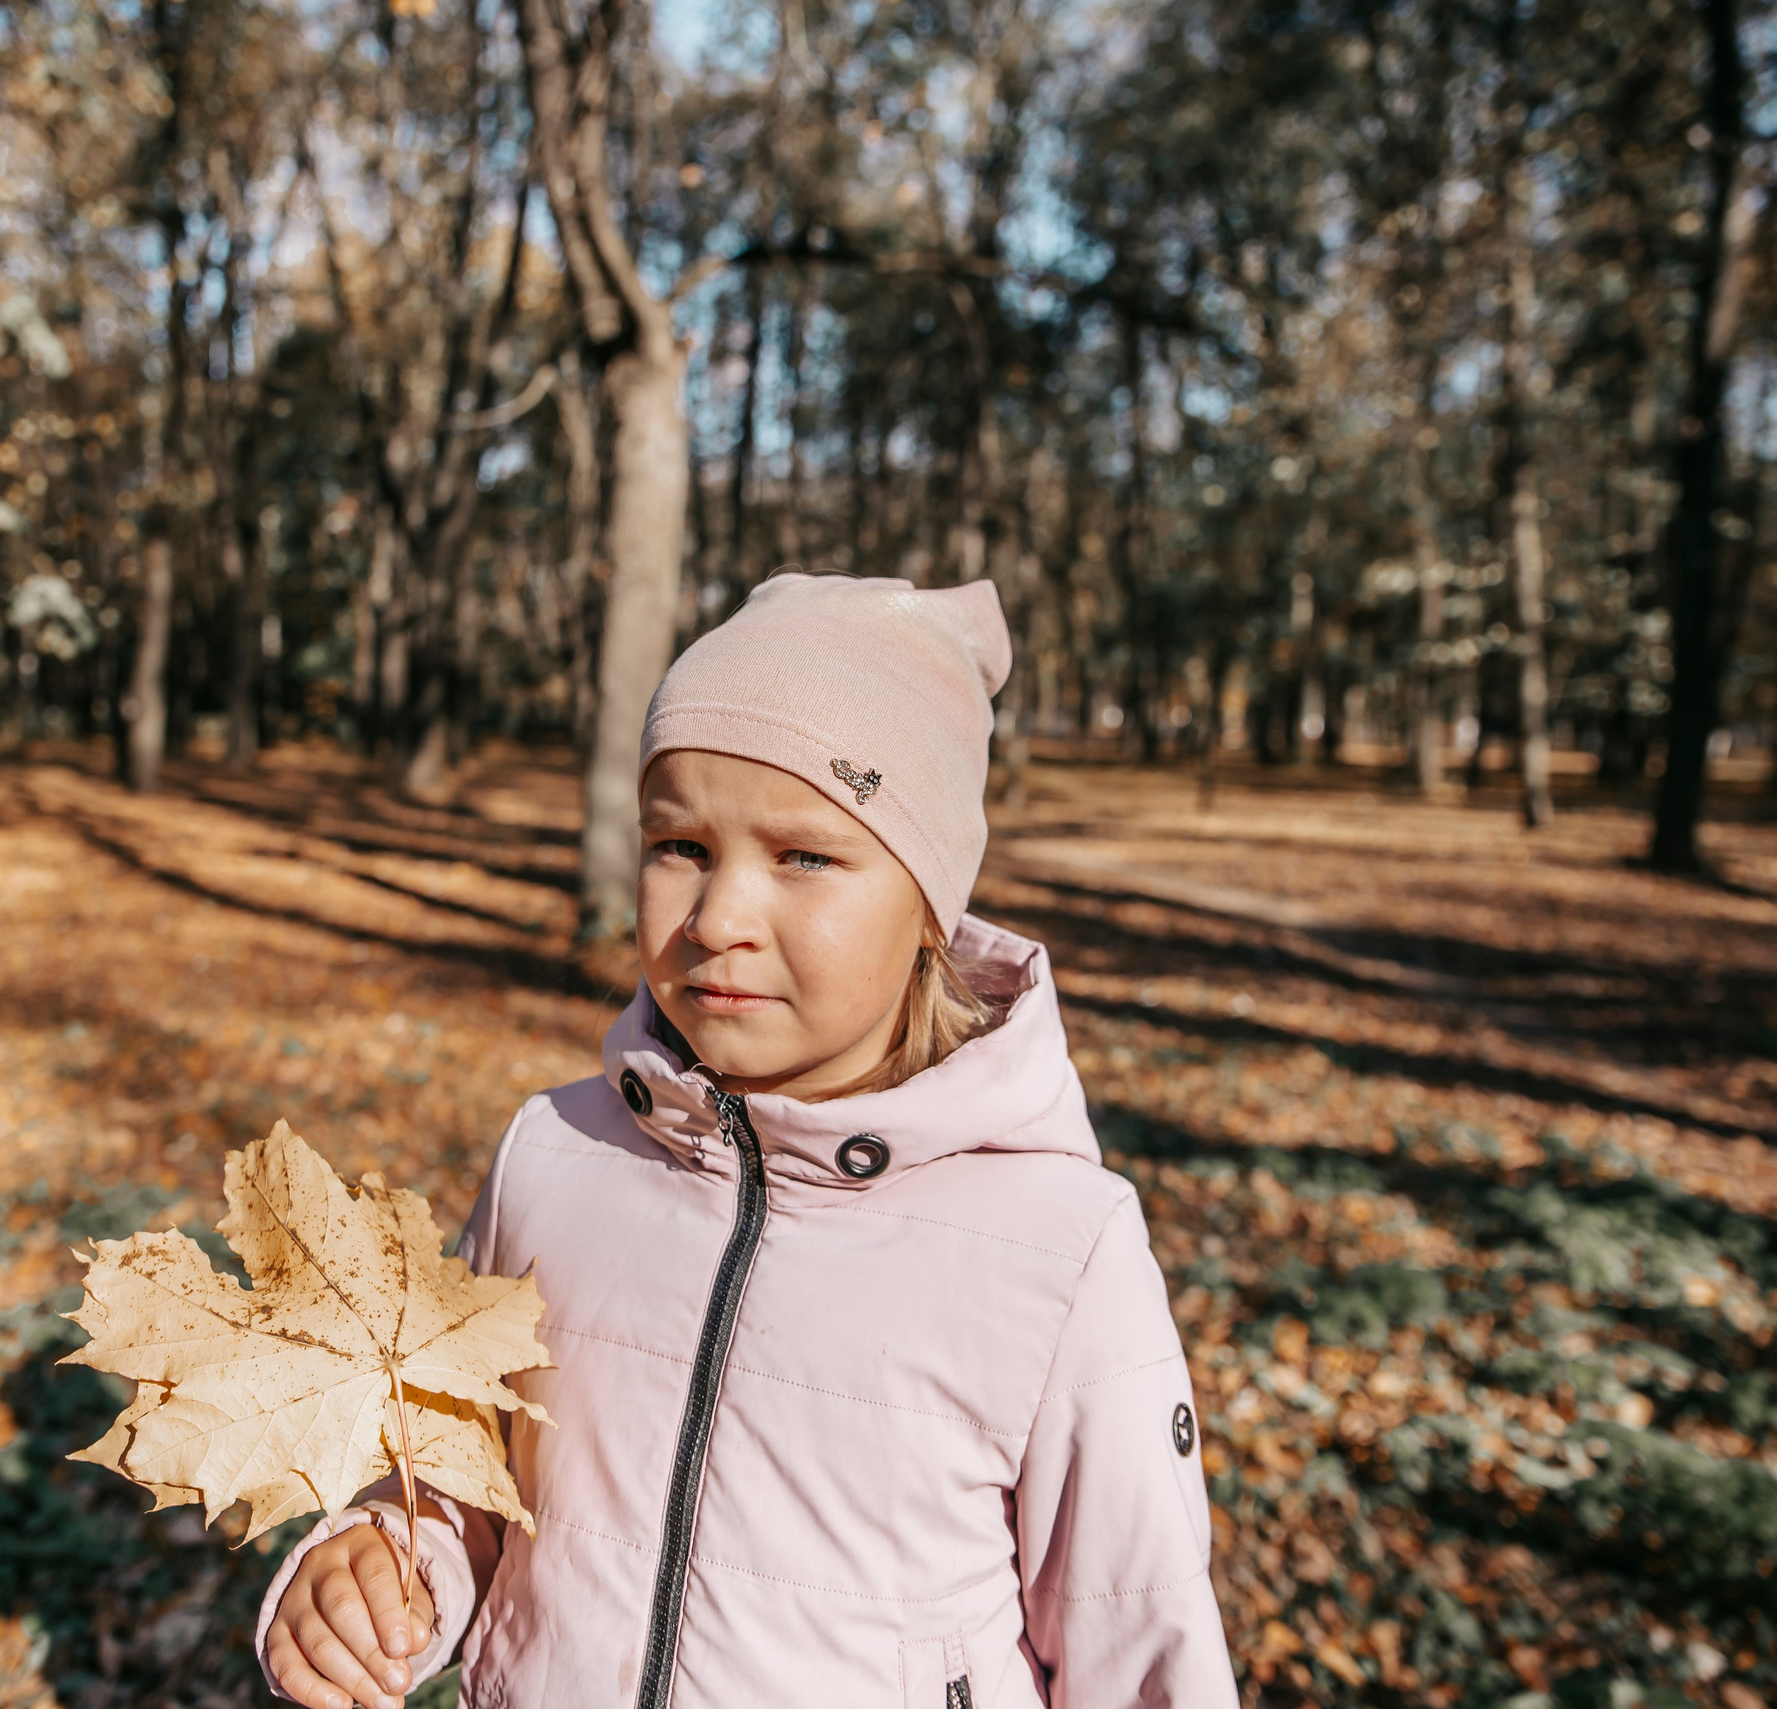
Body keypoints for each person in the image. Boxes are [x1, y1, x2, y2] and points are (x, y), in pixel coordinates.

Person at [256, 574, 1236, 1708]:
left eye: (804, 856)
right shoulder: (553, 1156)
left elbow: (1140, 1644)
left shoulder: (1057, 1250)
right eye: (679, 844)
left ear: (928, 907)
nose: (718, 914)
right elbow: (464, 1474)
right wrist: (387, 1555)